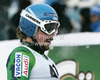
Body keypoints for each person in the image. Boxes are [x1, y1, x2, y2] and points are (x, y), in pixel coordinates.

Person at [6, 4, 60, 80]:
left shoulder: (43, 58)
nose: (52, 34)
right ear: (31, 28)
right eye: (48, 28)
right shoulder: (22, 54)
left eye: (55, 28)